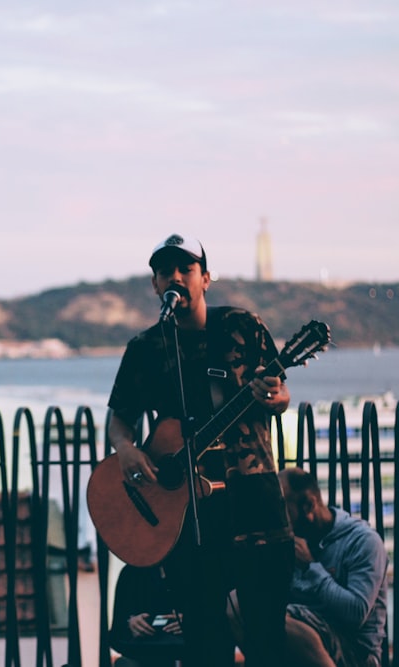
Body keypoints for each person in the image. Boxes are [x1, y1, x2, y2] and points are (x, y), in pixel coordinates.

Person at [106, 233, 294, 666]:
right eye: (164, 271)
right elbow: (120, 418)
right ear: (155, 285)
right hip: (189, 520)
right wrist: (126, 449)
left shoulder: (244, 327)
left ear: (205, 278)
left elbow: (281, 396)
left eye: (185, 268)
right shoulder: (145, 349)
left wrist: (275, 398)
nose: (175, 276)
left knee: (267, 640)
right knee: (205, 647)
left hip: (256, 506)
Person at [273, 467, 388, 667]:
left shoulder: (363, 542)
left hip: (354, 651)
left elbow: (355, 614)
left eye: (284, 510)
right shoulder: (293, 541)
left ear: (308, 505)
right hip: (303, 630)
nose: (280, 518)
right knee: (238, 605)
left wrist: (311, 567)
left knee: (276, 622)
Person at [109, 564, 184, 667]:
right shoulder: (131, 573)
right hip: (145, 653)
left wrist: (193, 619)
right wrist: (130, 624)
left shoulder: (196, 567)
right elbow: (117, 635)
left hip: (191, 650)